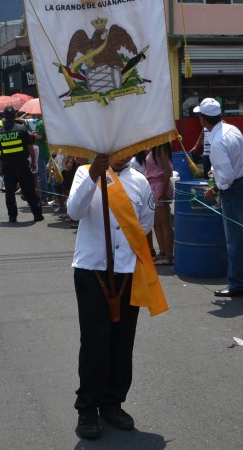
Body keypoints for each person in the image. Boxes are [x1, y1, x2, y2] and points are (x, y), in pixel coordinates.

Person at [66, 152, 164, 440]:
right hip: (91, 268)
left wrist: (123, 244)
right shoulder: (86, 173)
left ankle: (113, 402)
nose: (120, 157)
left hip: (127, 271)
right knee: (95, 342)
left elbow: (145, 221)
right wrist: (95, 174)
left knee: (122, 340)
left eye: (125, 150)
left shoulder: (139, 180)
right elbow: (74, 211)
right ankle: (87, 408)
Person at [197, 98, 243, 297]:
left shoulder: (215, 142)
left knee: (234, 240)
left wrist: (213, 190)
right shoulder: (233, 129)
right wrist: (219, 171)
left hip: (234, 189)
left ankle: (238, 284)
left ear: (203, 119)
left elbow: (228, 178)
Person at [0, 106, 43, 223]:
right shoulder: (22, 129)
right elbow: (30, 148)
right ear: (15, 116)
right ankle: (37, 214)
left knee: (9, 192)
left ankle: (12, 216)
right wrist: (34, 162)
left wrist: (0, 165)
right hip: (22, 164)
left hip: (7, 165)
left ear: (4, 116)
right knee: (29, 189)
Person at [145, 142, 174, 265]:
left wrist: (163, 192)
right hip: (153, 186)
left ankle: (168, 255)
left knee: (164, 222)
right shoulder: (154, 147)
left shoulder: (160, 146)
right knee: (156, 223)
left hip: (159, 186)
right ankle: (163, 253)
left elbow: (167, 169)